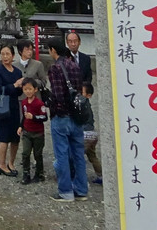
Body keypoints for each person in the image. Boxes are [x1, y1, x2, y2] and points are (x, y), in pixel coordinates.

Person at [46, 39, 88, 202]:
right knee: (78, 153)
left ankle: (65, 191)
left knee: (62, 154)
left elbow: (57, 95)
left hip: (61, 117)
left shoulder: (55, 68)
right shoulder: (74, 65)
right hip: (77, 116)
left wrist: (52, 106)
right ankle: (81, 189)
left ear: (53, 50)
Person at [0, 43, 24, 176]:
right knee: (4, 137)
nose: (5, 57)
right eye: (3, 54)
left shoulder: (17, 71)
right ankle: (1, 164)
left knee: (15, 137)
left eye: (7, 54)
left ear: (13, 56)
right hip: (3, 105)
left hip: (15, 106)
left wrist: (19, 86)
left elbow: (19, 91)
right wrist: (14, 85)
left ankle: (11, 162)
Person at [18, 77, 48, 184]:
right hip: (27, 132)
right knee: (25, 153)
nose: (28, 91)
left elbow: (44, 117)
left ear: (35, 89)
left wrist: (34, 117)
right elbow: (24, 116)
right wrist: (21, 126)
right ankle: (26, 174)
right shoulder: (24, 102)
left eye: (30, 89)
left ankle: (39, 173)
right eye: (25, 89)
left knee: (37, 154)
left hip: (38, 133)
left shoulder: (39, 104)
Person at [81, 83, 103, 184]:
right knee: (92, 156)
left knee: (78, 155)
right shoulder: (88, 105)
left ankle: (78, 177)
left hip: (85, 134)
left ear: (88, 95)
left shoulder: (83, 105)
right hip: (93, 134)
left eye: (82, 93)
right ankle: (101, 176)